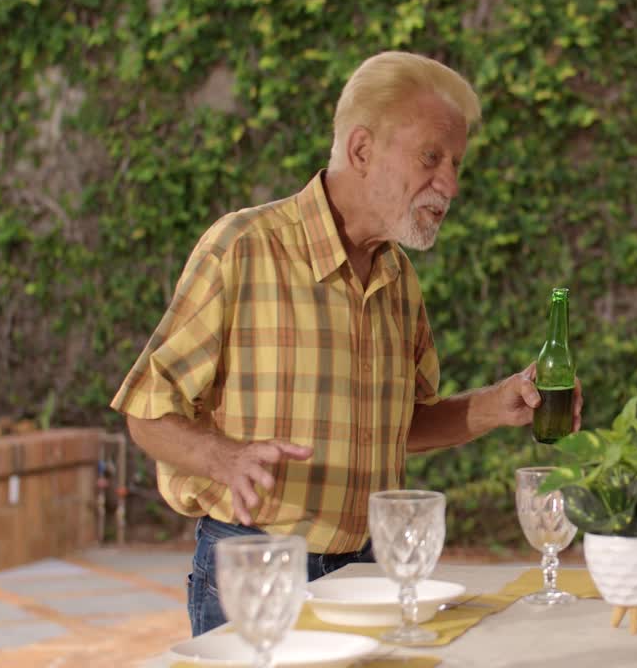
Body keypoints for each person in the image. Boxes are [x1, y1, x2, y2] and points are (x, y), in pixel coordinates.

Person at [110, 51, 582, 636]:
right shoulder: (242, 248)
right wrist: (222, 458)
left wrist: (495, 404)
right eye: (431, 158)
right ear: (361, 151)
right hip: (259, 566)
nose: (451, 184)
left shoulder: (398, 277)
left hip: (369, 572)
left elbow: (396, 426)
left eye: (456, 164)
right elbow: (145, 411)